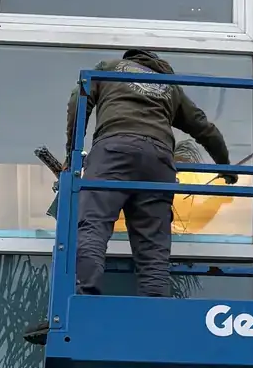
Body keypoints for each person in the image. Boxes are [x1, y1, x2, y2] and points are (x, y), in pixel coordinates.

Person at [72, 49, 233, 297]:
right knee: (153, 245)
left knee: (94, 223)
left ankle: (85, 296)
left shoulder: (109, 67)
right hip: (158, 161)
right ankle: (155, 305)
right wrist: (226, 166)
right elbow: (204, 127)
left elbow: (78, 100)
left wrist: (70, 153)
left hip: (115, 148)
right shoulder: (169, 86)